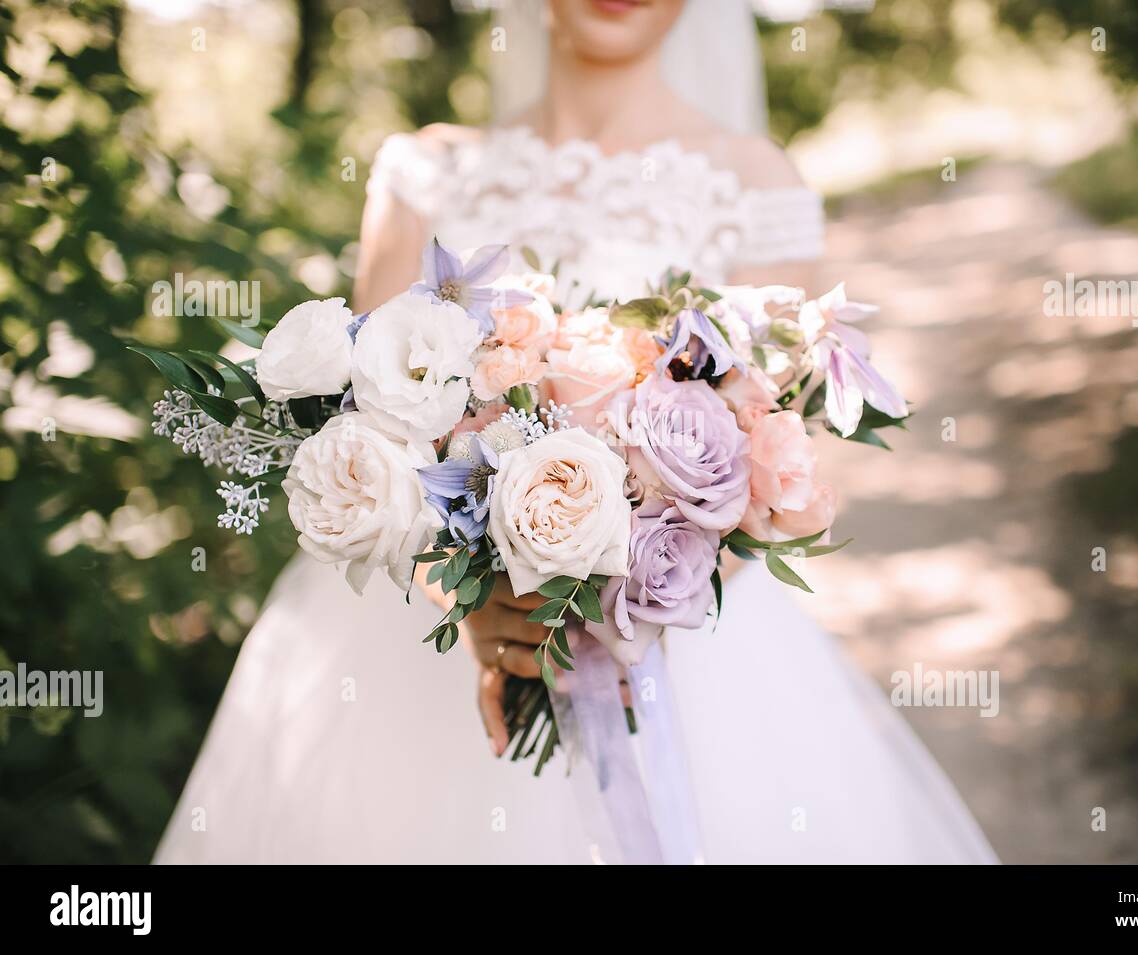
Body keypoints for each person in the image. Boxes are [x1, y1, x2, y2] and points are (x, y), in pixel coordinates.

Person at [155, 0, 996, 864]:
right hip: (415, 650)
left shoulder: (758, 186)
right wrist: (468, 600)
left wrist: (604, 610)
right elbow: (364, 443)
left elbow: (763, 470)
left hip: (677, 648)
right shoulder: (421, 173)